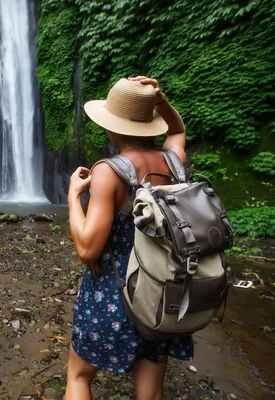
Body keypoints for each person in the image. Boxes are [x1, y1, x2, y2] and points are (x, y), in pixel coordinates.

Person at [66, 76, 192, 400]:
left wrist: (72, 196)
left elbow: (86, 248)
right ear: (151, 125)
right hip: (163, 295)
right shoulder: (174, 162)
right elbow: (177, 131)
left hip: (115, 295)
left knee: (79, 376)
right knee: (149, 390)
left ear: (112, 128)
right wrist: (159, 100)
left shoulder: (110, 172)